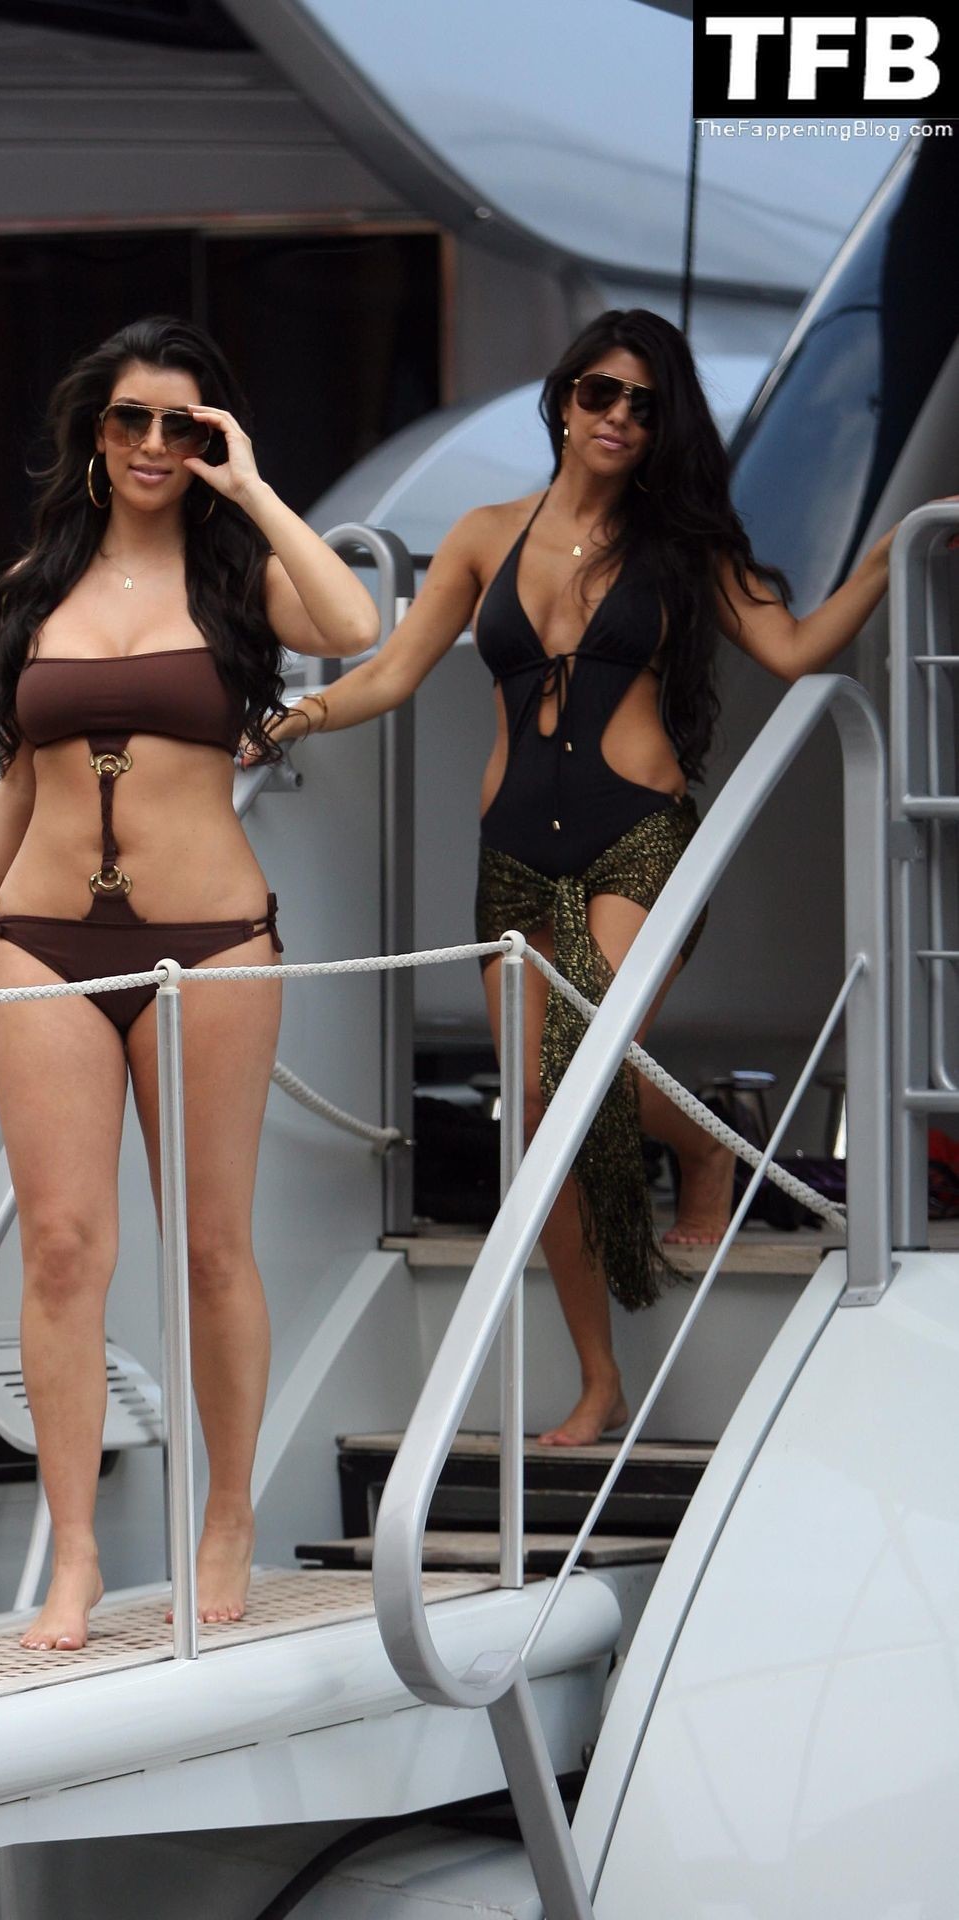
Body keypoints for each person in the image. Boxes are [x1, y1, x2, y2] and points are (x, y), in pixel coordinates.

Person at [252, 306, 911, 1448]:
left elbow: (794, 649)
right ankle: (601, 1371)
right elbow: (393, 673)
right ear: (563, 400)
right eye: (600, 393)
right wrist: (291, 718)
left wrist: (891, 555)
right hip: (513, 849)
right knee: (538, 1113)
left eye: (643, 407)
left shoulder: (683, 544)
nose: (617, 418)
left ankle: (701, 1146)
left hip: (636, 834)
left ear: (661, 429)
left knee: (580, 1061)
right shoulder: (482, 535)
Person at [0, 316, 378, 1648]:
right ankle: (79, 1556)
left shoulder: (235, 581)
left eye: (182, 423)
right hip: (41, 940)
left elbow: (356, 623)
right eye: (131, 419)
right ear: (94, 435)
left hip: (209, 943)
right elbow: (16, 779)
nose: (155, 443)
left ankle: (228, 1517)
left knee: (210, 1246)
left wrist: (249, 487)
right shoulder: (38, 580)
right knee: (60, 1249)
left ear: (209, 436)